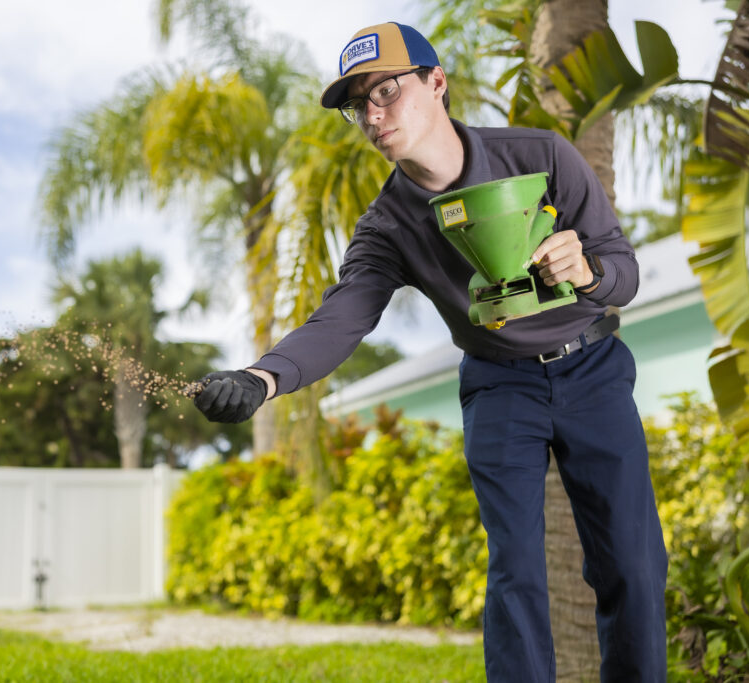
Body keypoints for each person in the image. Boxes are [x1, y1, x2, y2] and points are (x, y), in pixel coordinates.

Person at [192, 21, 667, 682]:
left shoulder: (541, 155)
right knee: (516, 571)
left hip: (593, 370)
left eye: (386, 90)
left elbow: (625, 269)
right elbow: (341, 317)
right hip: (502, 387)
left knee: (634, 566)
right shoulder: (388, 226)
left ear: (437, 83)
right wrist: (261, 377)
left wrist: (587, 271)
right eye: (360, 105)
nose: (372, 114)